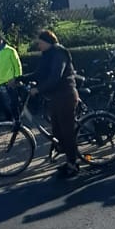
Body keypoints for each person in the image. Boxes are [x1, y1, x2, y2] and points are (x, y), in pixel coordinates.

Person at [35, 28, 81, 178]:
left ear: (47, 42)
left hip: (66, 95)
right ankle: (67, 159)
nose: (38, 46)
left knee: (67, 131)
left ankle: (73, 164)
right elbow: (39, 73)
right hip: (55, 97)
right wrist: (20, 79)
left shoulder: (59, 54)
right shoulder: (47, 55)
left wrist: (38, 89)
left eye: (40, 43)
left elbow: (56, 76)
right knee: (57, 131)